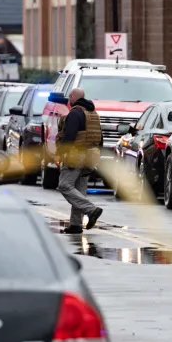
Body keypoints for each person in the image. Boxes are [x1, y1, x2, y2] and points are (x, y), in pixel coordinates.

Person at [57, 88, 104, 234]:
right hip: (91, 156)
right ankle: (76, 225)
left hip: (76, 155)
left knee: (64, 185)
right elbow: (100, 138)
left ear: (72, 97)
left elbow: (69, 136)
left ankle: (91, 210)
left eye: (69, 97)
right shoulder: (93, 114)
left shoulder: (75, 113)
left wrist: (61, 153)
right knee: (79, 190)